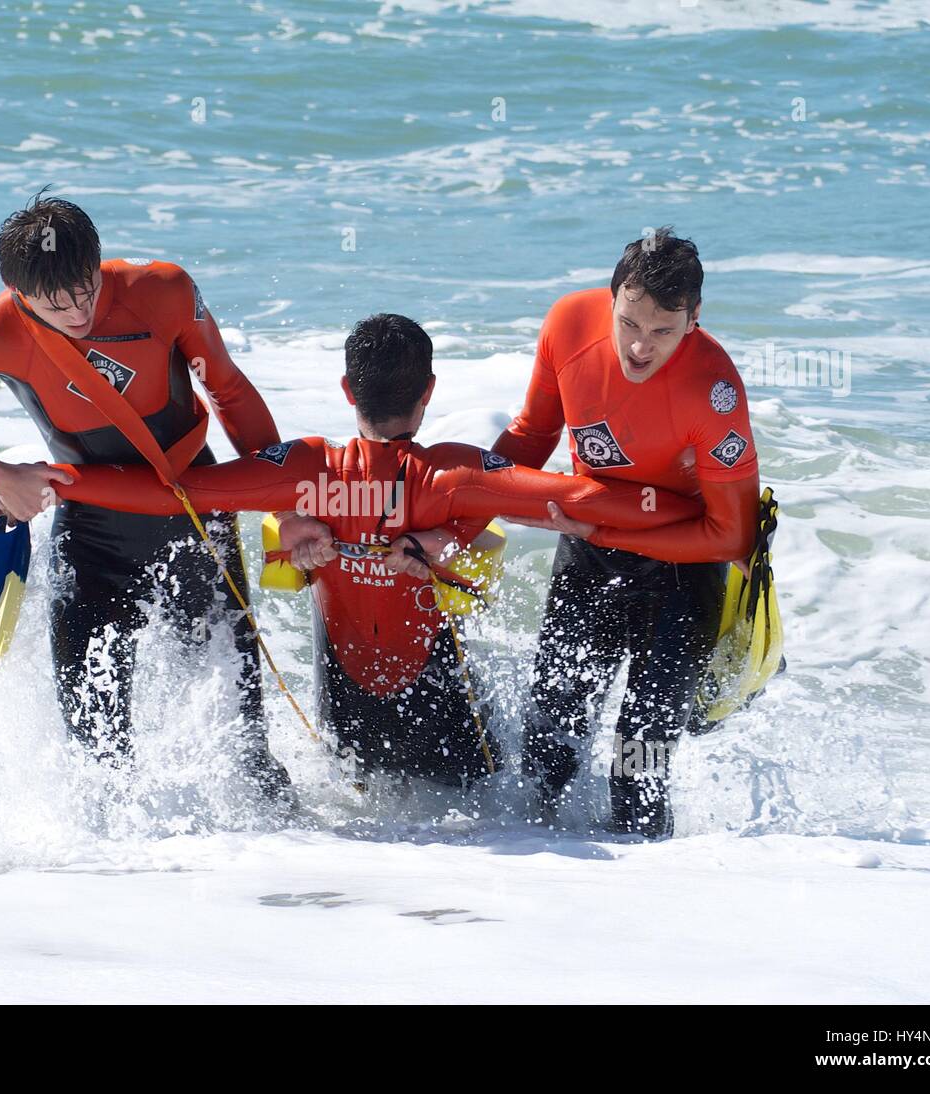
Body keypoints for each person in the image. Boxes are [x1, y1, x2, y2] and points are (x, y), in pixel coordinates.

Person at [47, 314, 704, 788]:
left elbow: (178, 492)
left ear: (345, 390)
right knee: (498, 818)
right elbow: (582, 502)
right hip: (443, 712)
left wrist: (45, 480)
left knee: (361, 835)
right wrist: (701, 512)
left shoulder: (305, 473)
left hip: (346, 716)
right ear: (428, 394)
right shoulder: (454, 479)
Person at [0, 190, 295, 800]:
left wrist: (283, 500)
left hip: (195, 522)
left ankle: (279, 866)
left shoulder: (165, 290)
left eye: (86, 289)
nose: (78, 311)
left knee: (243, 738)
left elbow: (227, 389)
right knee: (96, 755)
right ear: (20, 293)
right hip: (94, 540)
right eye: (55, 301)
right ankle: (107, 883)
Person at [484, 227, 761, 838]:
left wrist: (609, 533)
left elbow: (730, 536)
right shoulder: (568, 324)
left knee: (639, 766)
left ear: (693, 320)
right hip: (588, 554)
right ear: (612, 300)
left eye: (663, 331)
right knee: (546, 752)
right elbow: (531, 435)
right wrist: (461, 510)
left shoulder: (714, 394)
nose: (640, 347)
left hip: (683, 577)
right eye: (629, 323)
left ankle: (645, 905)